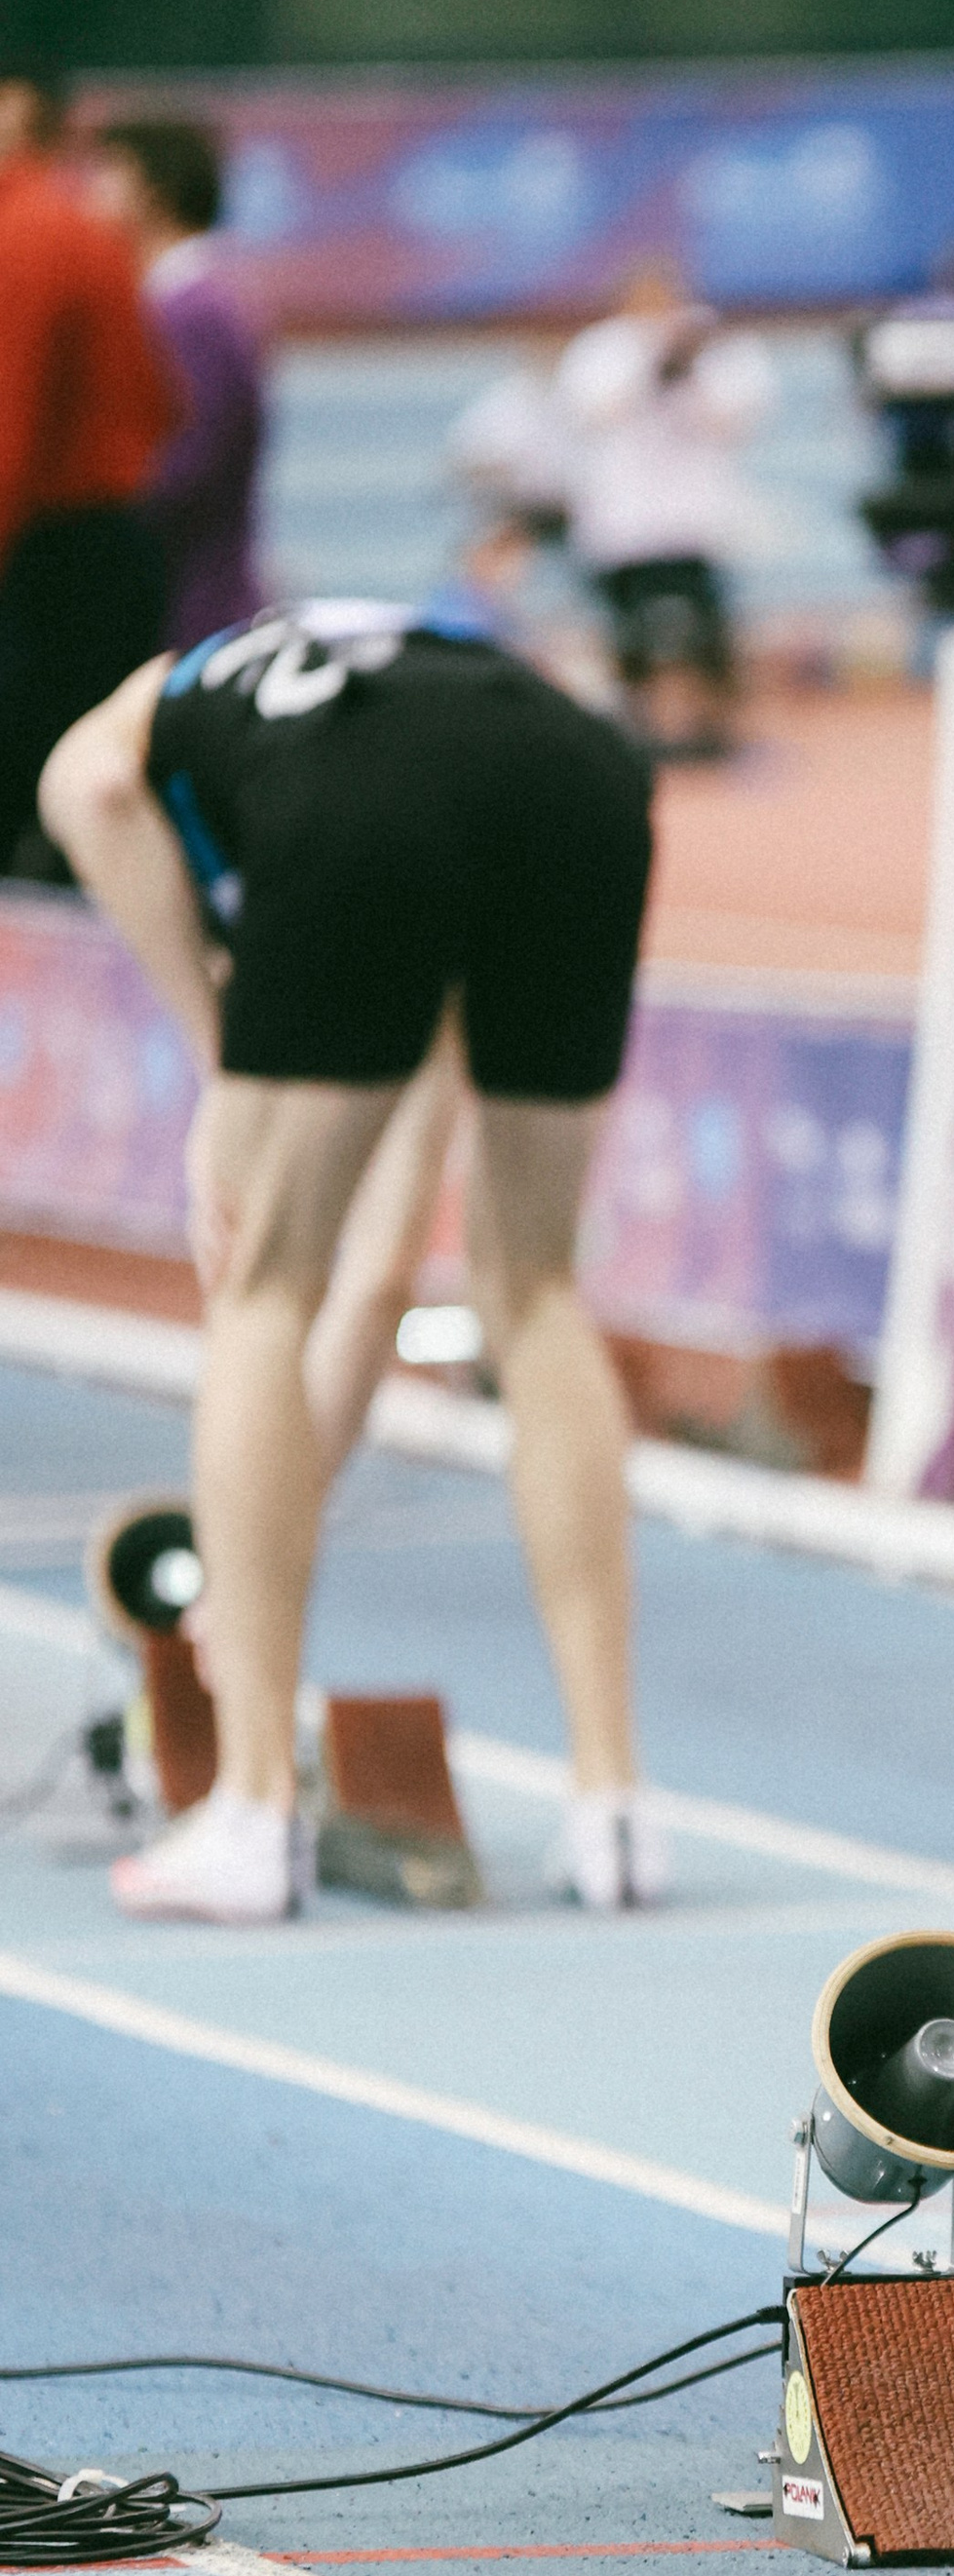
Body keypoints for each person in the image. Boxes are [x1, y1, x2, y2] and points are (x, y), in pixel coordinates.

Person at [37, 599, 669, 1923]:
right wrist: (255, 1552)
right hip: (580, 782)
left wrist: (216, 1045)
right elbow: (385, 1275)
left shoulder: (172, 721)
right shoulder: (372, 707)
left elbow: (82, 783)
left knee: (262, 1285)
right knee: (534, 1288)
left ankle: (254, 1810)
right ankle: (614, 1810)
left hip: (367, 802)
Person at [0, 64, 177, 882]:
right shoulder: (81, 229)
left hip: (50, 558)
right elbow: (158, 405)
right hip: (103, 547)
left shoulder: (26, 231)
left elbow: (11, 422)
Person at [554, 261, 775, 759]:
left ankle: (719, 730)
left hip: (695, 524)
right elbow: (593, 414)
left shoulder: (716, 347)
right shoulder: (600, 349)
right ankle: (633, 731)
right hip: (624, 527)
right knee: (629, 639)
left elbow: (736, 422)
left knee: (711, 637)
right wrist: (656, 364)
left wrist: (689, 366)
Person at [86, 115, 266, 648]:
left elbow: (187, 466)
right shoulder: (174, 302)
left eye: (105, 175)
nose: (88, 195)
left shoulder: (193, 309)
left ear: (151, 190)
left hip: (192, 604)